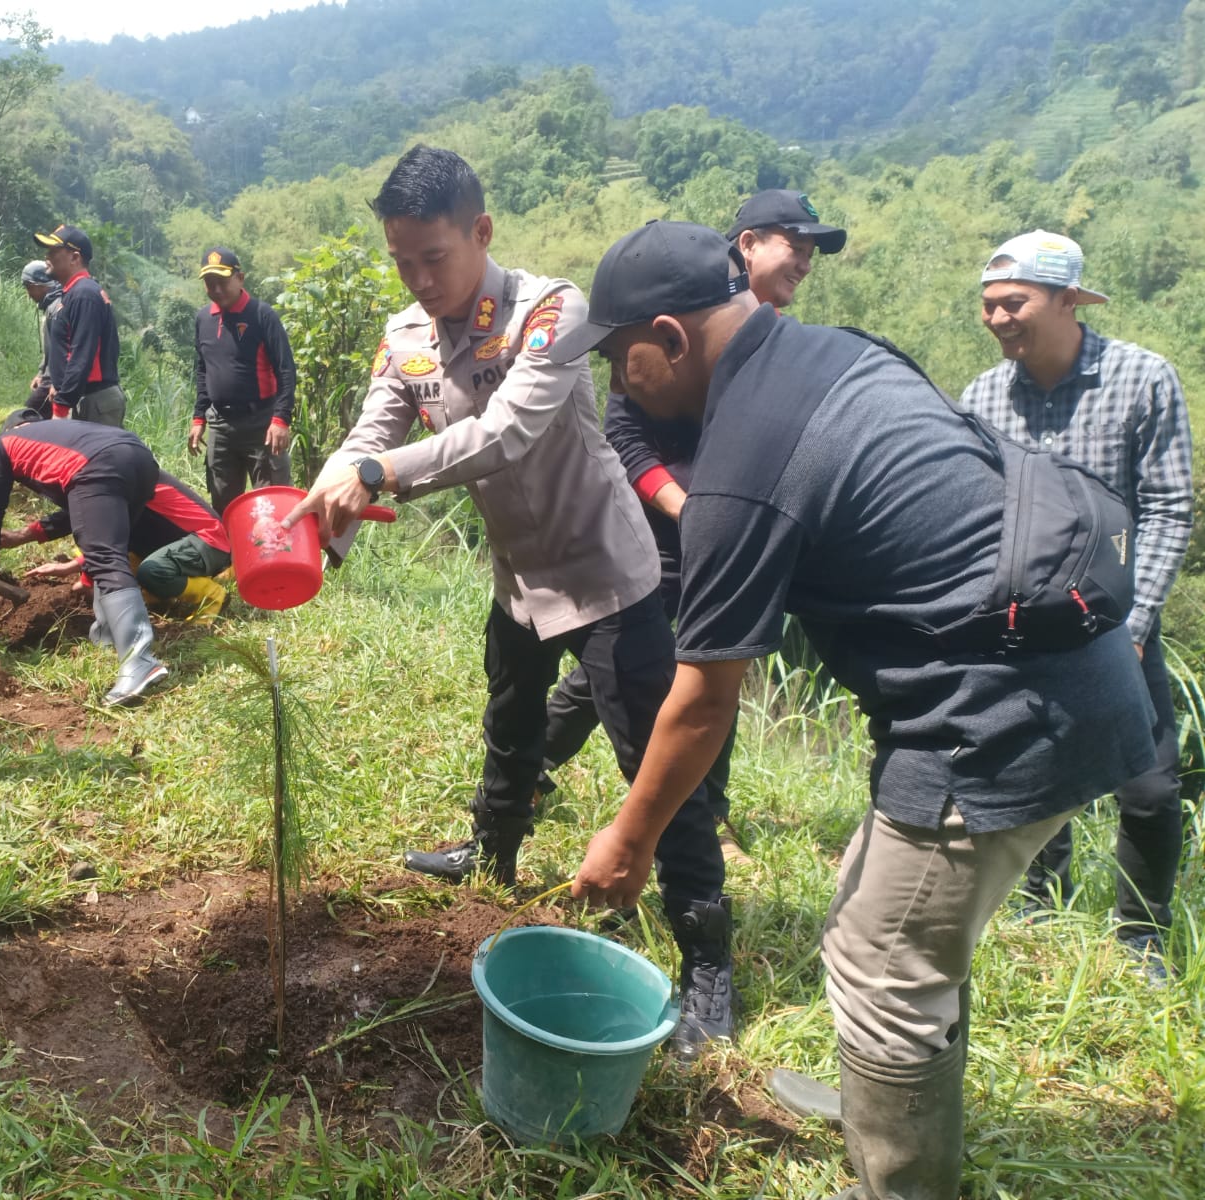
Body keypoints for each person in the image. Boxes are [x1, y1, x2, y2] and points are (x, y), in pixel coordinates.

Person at [558, 220, 1154, 1200]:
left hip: (1000, 714)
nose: (620, 390)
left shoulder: (743, 469)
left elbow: (703, 700)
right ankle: (891, 1103)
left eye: (624, 365)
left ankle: (900, 1179)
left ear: (668, 335)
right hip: (1069, 666)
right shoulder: (837, 351)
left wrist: (626, 844)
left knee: (883, 966)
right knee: (880, 913)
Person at [283, 146, 733, 1060]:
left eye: (434, 257)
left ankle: (707, 961)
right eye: (401, 260)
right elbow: (374, 427)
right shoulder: (405, 332)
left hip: (606, 572)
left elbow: (502, 435)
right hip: (519, 575)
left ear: (481, 233)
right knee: (510, 720)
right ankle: (490, 857)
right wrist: (327, 513)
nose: (419, 279)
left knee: (651, 759)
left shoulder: (552, 311)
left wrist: (377, 473)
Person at [537, 193, 847, 860]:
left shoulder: (773, 345)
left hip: (724, 536)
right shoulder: (656, 330)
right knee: (616, 669)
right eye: (792, 241)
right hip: (660, 537)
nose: (803, 259)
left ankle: (707, 814)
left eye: (811, 250)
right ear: (745, 246)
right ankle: (541, 766)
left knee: (709, 669)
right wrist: (687, 509)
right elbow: (625, 438)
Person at [958, 230, 1192, 983]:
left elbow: (1166, 507)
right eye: (988, 305)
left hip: (1118, 622)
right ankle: (1037, 906)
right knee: (1034, 770)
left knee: (1151, 789)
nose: (996, 318)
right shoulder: (982, 397)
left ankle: (1141, 940)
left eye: (1013, 303)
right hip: (1023, 621)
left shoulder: (1139, 379)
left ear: (1066, 301)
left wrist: (1134, 621)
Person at [0, 410, 168, 704]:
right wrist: (32, 534)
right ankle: (107, 635)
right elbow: (84, 509)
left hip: (100, 465)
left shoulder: (5, 443)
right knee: (109, 550)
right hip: (139, 458)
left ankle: (139, 660)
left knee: (105, 556)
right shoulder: (67, 436)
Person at [12, 457, 232, 622]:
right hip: (169, 542)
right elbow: (87, 522)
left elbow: (110, 537)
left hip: (208, 542)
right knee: (113, 565)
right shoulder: (115, 483)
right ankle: (162, 592)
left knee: (151, 571)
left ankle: (212, 595)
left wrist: (80, 572)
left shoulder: (124, 484)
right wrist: (71, 566)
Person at [190, 247, 297, 514]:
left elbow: (286, 370)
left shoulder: (262, 315)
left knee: (273, 503)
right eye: (209, 283)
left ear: (240, 278)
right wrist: (198, 418)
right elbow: (203, 369)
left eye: (223, 282)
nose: (216, 289)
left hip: (261, 424)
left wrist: (281, 419)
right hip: (221, 425)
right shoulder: (203, 319)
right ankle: (231, 555)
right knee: (223, 504)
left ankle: (276, 555)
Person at [31, 224, 125, 427]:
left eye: (54, 251)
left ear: (74, 258)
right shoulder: (74, 293)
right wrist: (59, 385)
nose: (47, 256)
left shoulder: (84, 295)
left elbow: (81, 355)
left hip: (95, 402)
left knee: (95, 459)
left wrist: (62, 406)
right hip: (85, 398)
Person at [726, 188, 847, 309]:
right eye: (797, 249)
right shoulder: (709, 317)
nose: (806, 268)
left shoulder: (771, 325)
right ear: (749, 244)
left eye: (809, 256)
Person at [21, 259, 64, 417]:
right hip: (49, 379)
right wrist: (40, 373)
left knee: (26, 416)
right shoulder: (50, 308)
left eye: (29, 287)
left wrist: (53, 382)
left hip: (54, 382)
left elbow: (59, 350)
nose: (29, 294)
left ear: (41, 285)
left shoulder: (57, 308)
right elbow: (48, 349)